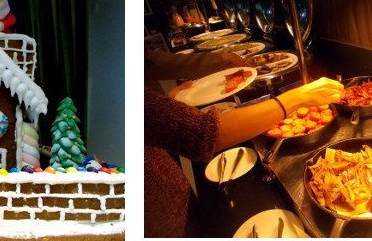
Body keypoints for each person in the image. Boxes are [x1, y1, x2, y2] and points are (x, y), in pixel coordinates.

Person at [143, 50, 344, 237]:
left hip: (172, 207)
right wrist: (298, 97)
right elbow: (206, 134)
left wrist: (166, 106)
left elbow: (149, 62)